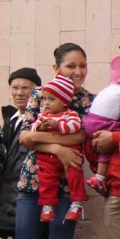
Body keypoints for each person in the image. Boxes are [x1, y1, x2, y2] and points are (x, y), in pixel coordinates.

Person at [14, 44, 93, 239]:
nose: (78, 71)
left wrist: (39, 138)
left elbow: (81, 136)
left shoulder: (88, 100)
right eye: (71, 66)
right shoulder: (39, 94)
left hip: (66, 186)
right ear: (56, 68)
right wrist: (58, 148)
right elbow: (25, 137)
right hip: (32, 182)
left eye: (82, 65)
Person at [30, 74, 88, 223]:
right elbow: (32, 132)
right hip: (48, 158)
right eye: (44, 99)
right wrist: (40, 127)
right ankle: (47, 206)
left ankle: (76, 204)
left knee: (75, 175)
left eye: (51, 99)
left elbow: (75, 127)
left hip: (71, 155)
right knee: (46, 179)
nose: (46, 103)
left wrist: (57, 125)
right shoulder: (43, 116)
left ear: (64, 101)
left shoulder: (71, 115)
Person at [0, 67, 41, 239]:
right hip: (9, 200)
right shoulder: (11, 120)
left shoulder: (40, 120)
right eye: (15, 88)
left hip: (29, 199)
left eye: (25, 88)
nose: (19, 93)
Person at [83, 55, 120, 194]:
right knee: (106, 149)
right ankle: (99, 177)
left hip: (89, 121)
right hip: (103, 123)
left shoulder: (106, 90)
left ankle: (97, 173)